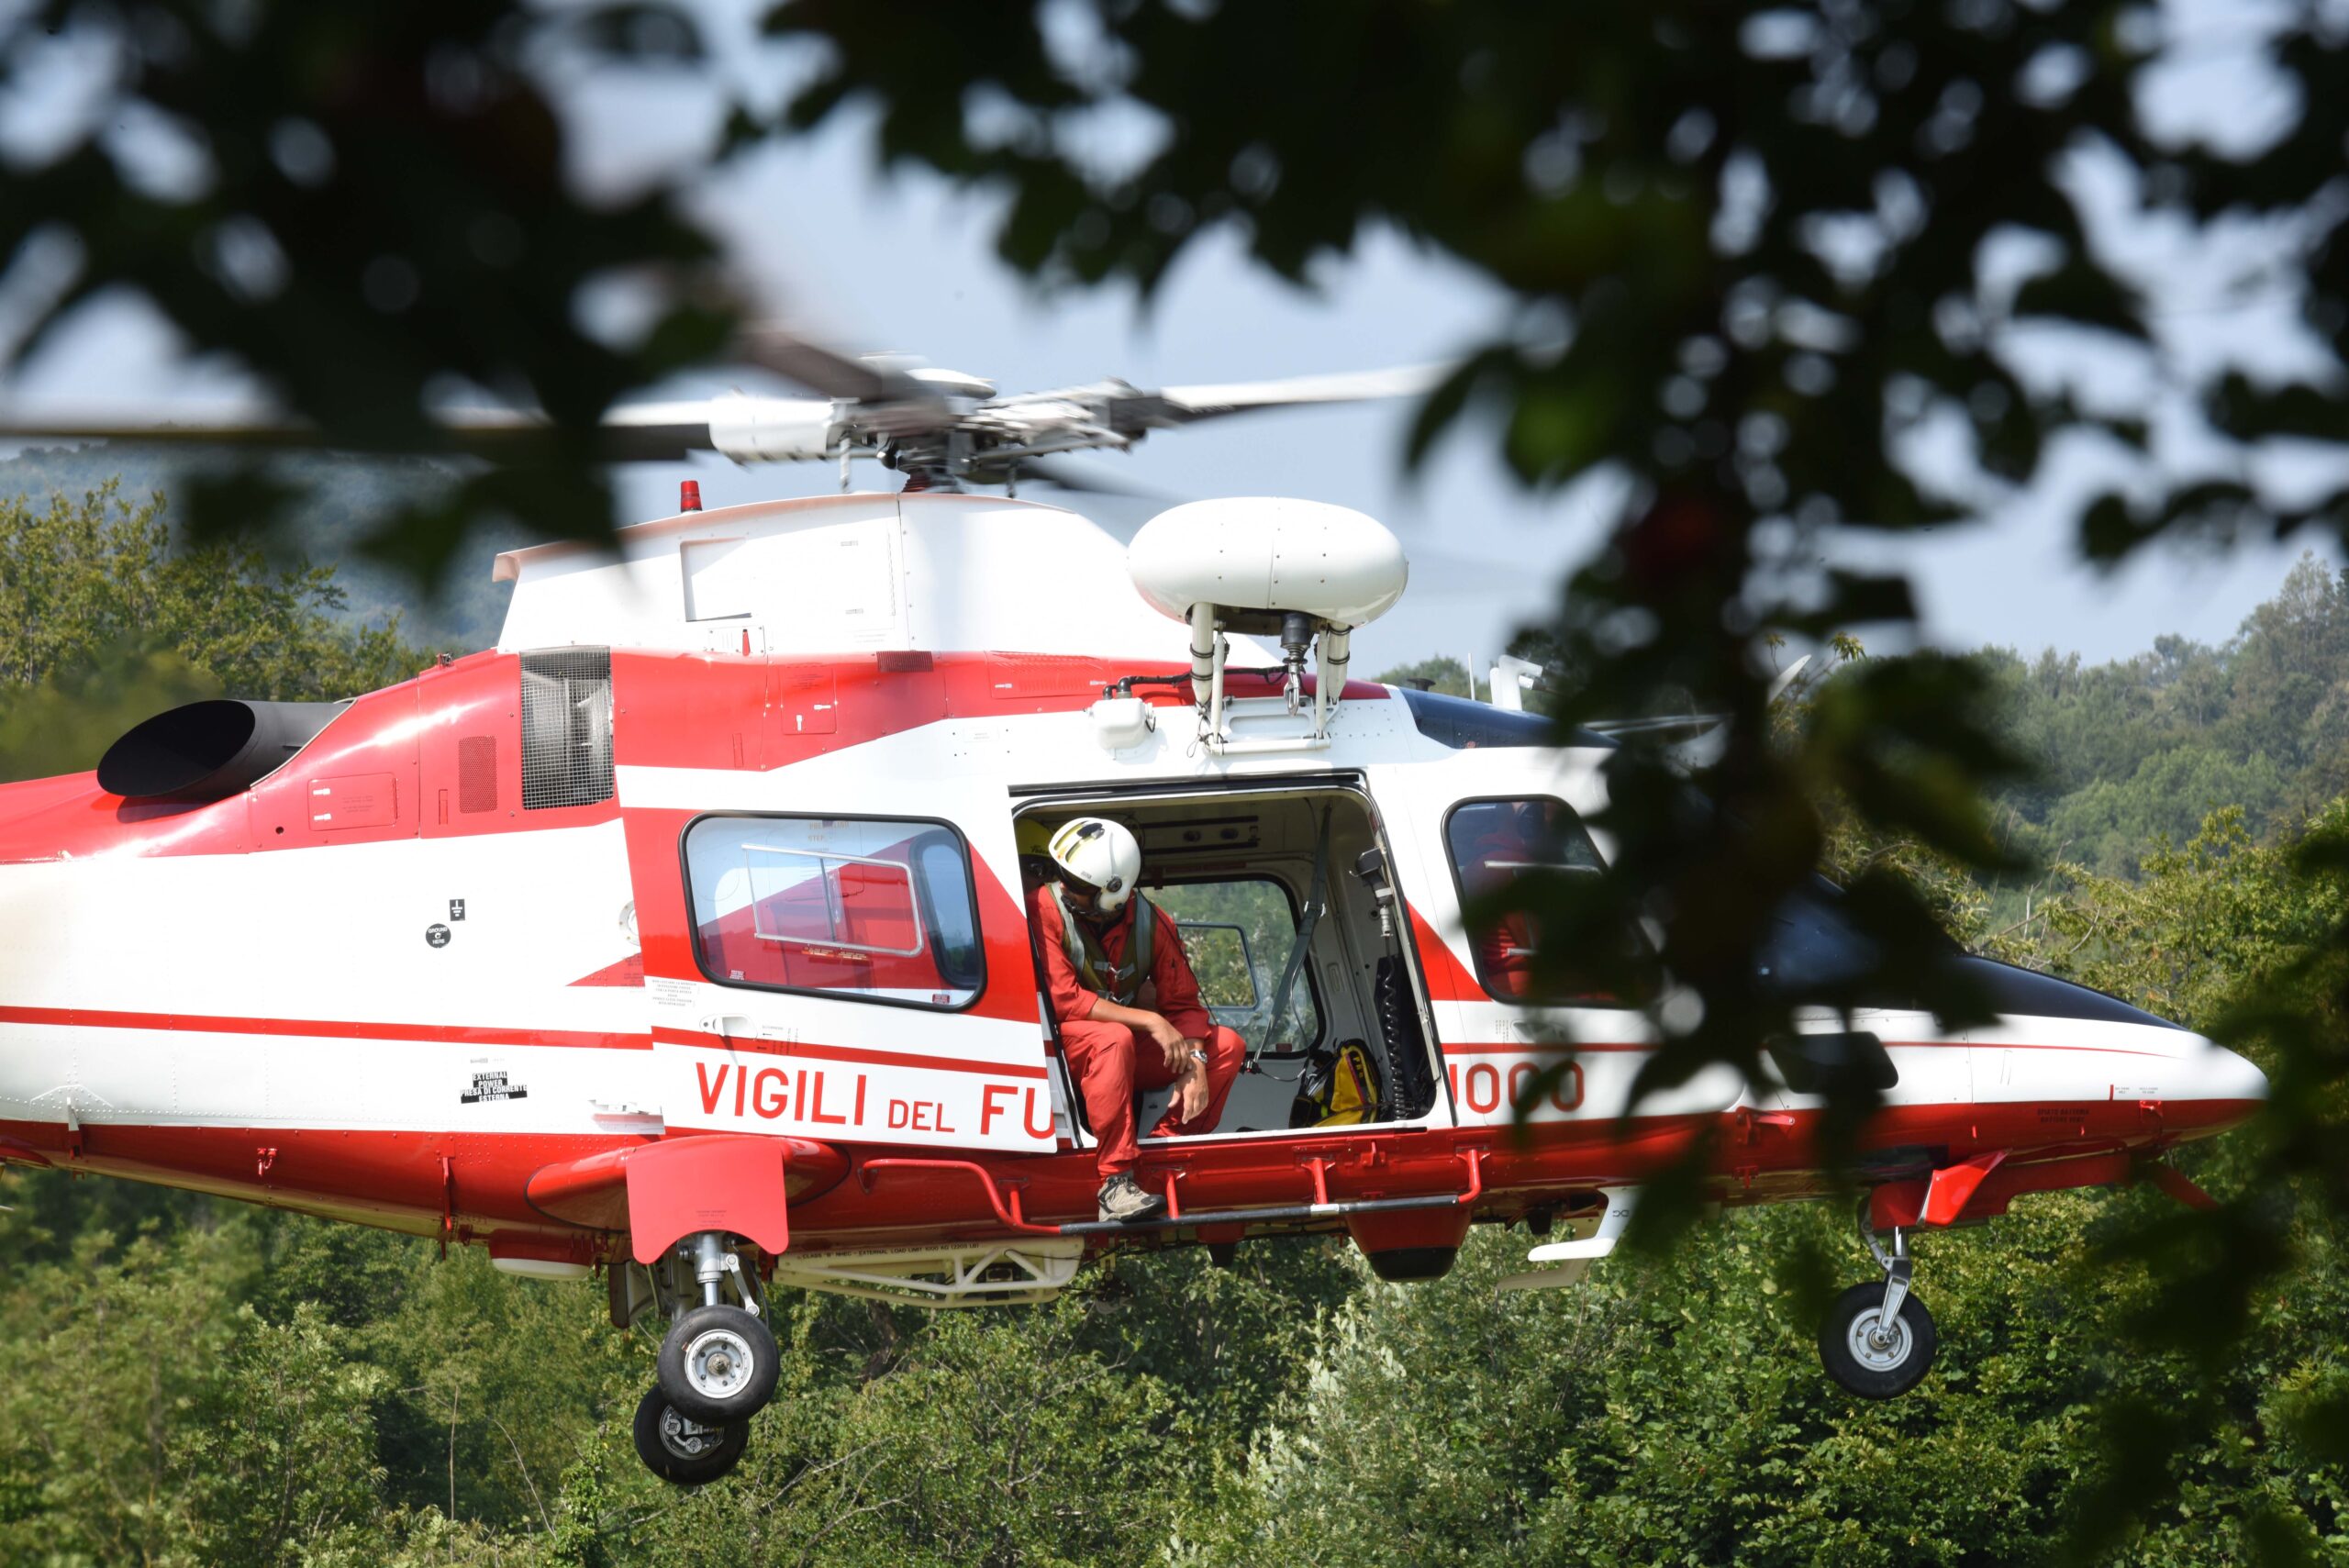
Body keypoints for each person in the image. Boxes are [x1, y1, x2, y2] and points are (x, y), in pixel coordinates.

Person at [1030, 817, 1246, 1223]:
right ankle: (1115, 1182)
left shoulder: (1151, 922)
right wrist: (1151, 1021)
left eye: (1077, 885)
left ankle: (1164, 1153)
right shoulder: (1043, 908)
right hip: (1062, 1055)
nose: (1065, 888)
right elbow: (1064, 1001)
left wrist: (1196, 1061)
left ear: (1114, 891)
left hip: (1122, 1052)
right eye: (1065, 878)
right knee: (1113, 1039)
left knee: (1228, 1046)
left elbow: (1183, 1003)